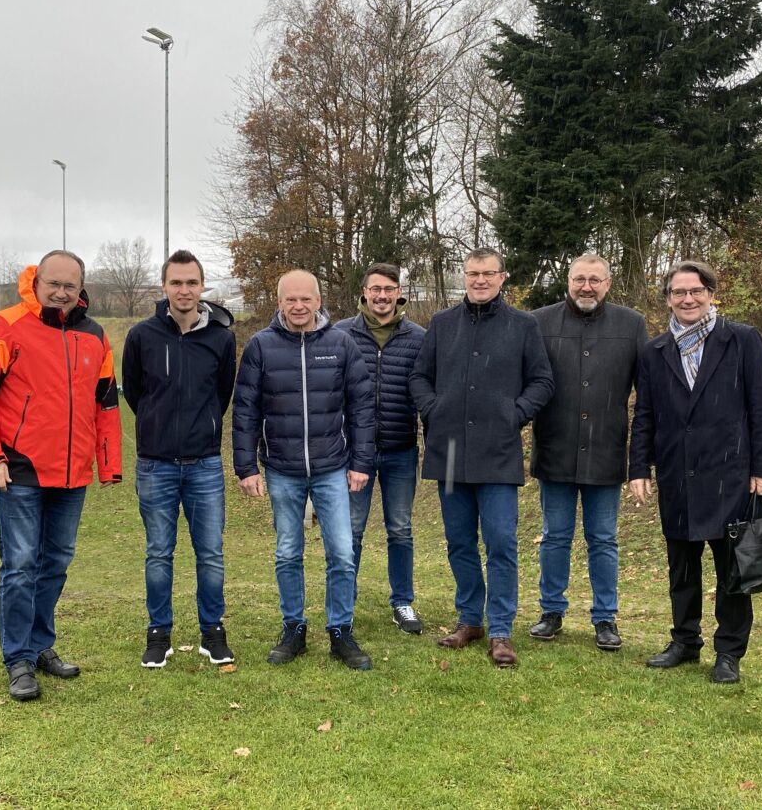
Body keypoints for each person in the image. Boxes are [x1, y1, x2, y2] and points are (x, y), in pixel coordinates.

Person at [0, 250, 122, 701]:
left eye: (70, 285)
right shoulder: (5, 326)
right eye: (54, 283)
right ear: (36, 281)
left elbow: (106, 403)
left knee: (55, 563)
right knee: (19, 567)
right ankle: (18, 659)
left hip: (72, 476)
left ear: (81, 287)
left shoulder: (95, 335)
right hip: (20, 472)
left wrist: (107, 464)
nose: (61, 292)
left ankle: (39, 644)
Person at [629, 259, 762, 685]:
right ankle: (684, 641)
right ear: (668, 299)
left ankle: (728, 653)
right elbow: (645, 415)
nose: (688, 299)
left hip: (733, 476)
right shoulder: (655, 351)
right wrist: (639, 466)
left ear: (711, 293)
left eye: (696, 291)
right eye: (679, 292)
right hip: (678, 476)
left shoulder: (742, 340)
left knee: (733, 569)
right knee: (682, 568)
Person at [409, 247, 554, 668]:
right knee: (459, 541)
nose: (480, 281)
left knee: (501, 542)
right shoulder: (441, 324)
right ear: (465, 276)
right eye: (473, 273)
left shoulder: (523, 325)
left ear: (502, 277)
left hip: (498, 454)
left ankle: (501, 629)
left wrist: (514, 414)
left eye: (489, 274)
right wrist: (433, 410)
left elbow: (542, 382)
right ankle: (469, 619)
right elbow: (419, 376)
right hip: (450, 454)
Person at [232, 270, 376, 670]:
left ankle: (340, 630)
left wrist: (361, 461)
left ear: (318, 300)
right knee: (287, 552)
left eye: (305, 299)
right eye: (290, 300)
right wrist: (246, 466)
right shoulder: (260, 347)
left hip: (333, 467)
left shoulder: (341, 344)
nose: (298, 306)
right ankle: (293, 627)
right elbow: (244, 410)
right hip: (281, 469)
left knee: (343, 554)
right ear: (279, 302)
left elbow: (362, 407)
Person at [122, 249, 237, 669]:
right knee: (158, 552)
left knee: (210, 553)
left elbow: (222, 395)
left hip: (204, 463)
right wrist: (158, 426)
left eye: (192, 282)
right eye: (176, 282)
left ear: (202, 286)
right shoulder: (141, 336)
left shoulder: (222, 339)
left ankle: (212, 632)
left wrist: (200, 427)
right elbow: (135, 392)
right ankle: (158, 634)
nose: (184, 290)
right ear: (164, 287)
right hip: (156, 465)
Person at [529, 254, 647, 651]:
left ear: (608, 284)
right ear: (568, 280)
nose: (586, 287)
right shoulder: (539, 322)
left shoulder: (631, 325)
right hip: (555, 448)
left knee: (603, 539)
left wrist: (640, 459)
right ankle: (551, 612)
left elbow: (646, 395)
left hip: (606, 450)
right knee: (555, 537)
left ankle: (605, 618)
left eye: (595, 280)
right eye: (580, 279)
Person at [333, 262, 426, 634]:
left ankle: (402, 602)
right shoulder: (340, 334)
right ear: (365, 292)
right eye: (376, 289)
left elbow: (427, 393)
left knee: (400, 529)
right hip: (354, 453)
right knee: (350, 530)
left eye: (389, 289)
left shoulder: (418, 337)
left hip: (400, 449)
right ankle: (344, 603)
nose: (382, 296)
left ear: (398, 292)